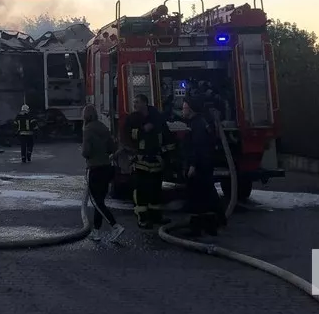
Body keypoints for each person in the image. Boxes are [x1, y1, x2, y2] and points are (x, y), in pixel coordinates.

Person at [123, 94, 174, 229]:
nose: (134, 105)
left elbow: (166, 136)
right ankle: (143, 218)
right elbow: (126, 135)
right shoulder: (132, 118)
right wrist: (142, 130)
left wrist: (168, 156)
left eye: (137, 102)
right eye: (134, 102)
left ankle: (156, 216)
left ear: (145, 103)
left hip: (157, 159)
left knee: (156, 189)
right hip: (141, 160)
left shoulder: (157, 117)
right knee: (141, 190)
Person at [81, 104, 124, 243]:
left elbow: (86, 152)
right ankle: (96, 231)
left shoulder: (87, 130)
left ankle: (115, 226)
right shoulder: (104, 128)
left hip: (94, 168)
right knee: (99, 201)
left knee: (96, 202)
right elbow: (112, 148)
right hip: (107, 168)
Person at [180, 99, 222, 237]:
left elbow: (197, 147)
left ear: (191, 109)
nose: (182, 111)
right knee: (207, 194)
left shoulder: (196, 124)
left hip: (199, 166)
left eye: (184, 108)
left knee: (197, 196)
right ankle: (212, 225)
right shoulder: (200, 122)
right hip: (205, 164)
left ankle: (197, 228)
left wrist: (192, 165)